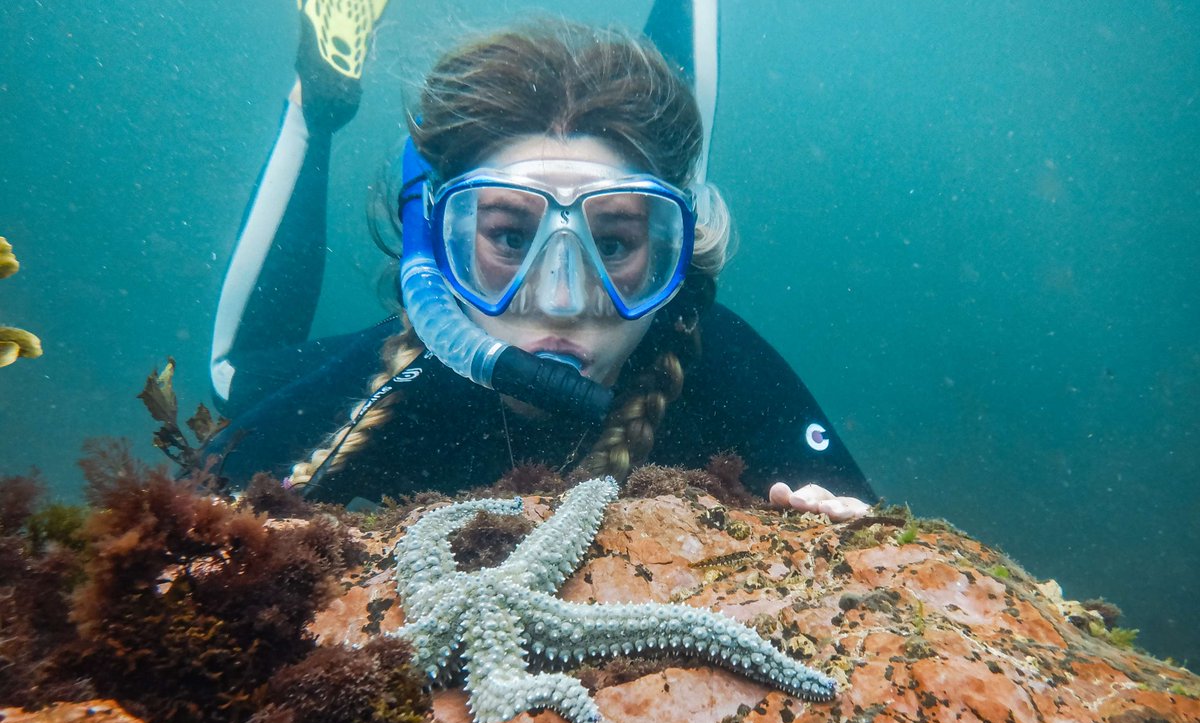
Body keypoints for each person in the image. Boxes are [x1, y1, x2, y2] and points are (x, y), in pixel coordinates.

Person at [207, 0, 875, 520]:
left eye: (612, 245)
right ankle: (315, 103)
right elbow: (211, 512)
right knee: (229, 377)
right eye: (510, 238)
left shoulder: (718, 368)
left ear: (671, 254)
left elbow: (864, 535)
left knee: (666, 144)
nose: (560, 299)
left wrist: (830, 525)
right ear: (437, 249)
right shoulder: (403, 377)